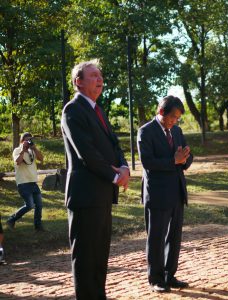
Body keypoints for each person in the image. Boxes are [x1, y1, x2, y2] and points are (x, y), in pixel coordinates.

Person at [61, 60, 130, 300]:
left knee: (100, 257)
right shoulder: (73, 110)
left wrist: (123, 167)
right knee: (86, 259)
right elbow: (87, 153)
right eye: (93, 75)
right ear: (78, 81)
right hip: (85, 196)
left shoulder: (98, 110)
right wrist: (115, 176)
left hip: (102, 195)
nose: (99, 79)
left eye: (100, 75)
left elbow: (114, 144)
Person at [137, 95, 193, 293]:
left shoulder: (176, 131)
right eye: (173, 117)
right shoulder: (145, 131)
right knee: (157, 238)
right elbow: (148, 163)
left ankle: (170, 275)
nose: (175, 121)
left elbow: (187, 157)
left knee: (175, 237)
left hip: (177, 191)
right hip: (157, 193)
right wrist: (174, 160)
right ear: (161, 112)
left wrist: (185, 158)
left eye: (178, 118)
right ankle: (156, 279)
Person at [6, 132, 44, 231]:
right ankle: (11, 219)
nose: (29, 142)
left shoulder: (32, 151)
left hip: (33, 182)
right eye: (27, 140)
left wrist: (34, 148)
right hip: (23, 183)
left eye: (30, 140)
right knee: (30, 205)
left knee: (39, 205)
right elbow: (18, 162)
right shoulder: (17, 150)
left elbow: (41, 159)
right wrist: (23, 150)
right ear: (22, 141)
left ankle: (38, 227)